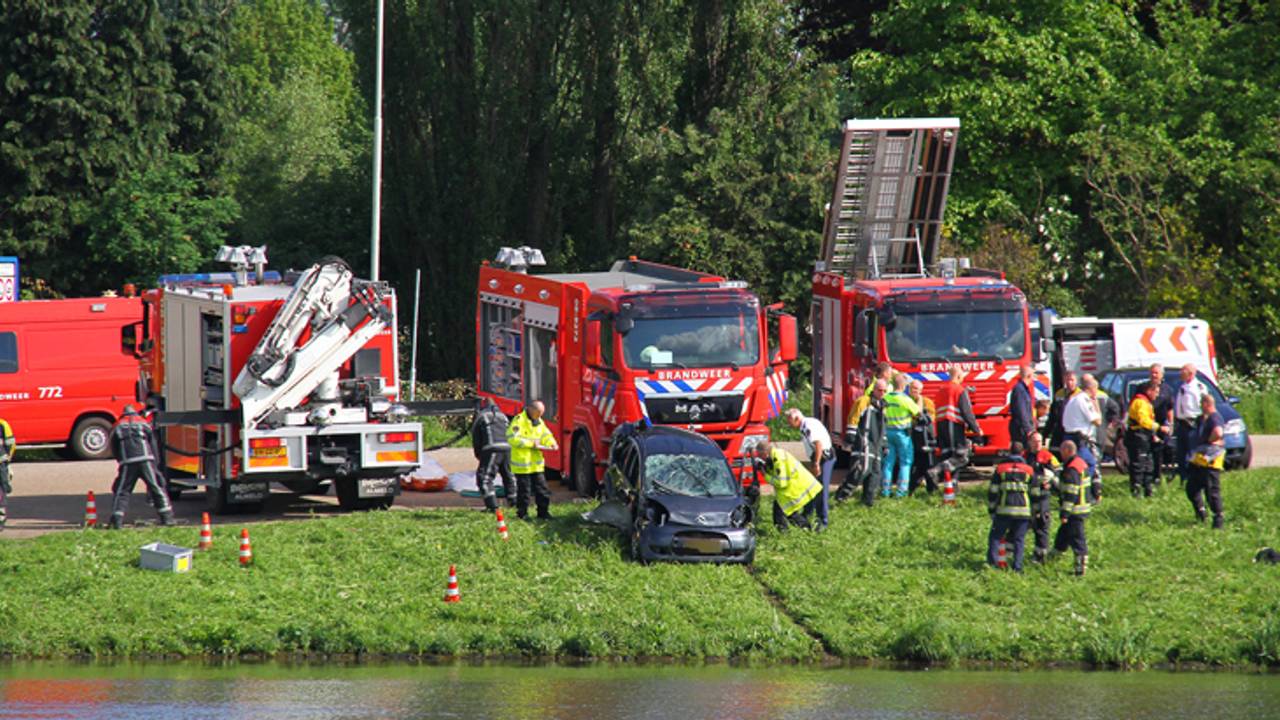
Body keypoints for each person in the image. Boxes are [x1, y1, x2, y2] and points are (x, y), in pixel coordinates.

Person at [108, 404, 173, 529]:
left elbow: (114, 448)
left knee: (122, 491)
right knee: (157, 488)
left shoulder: (117, 426)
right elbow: (153, 444)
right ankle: (167, 518)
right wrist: (156, 466)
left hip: (128, 462)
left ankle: (117, 520)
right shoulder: (143, 423)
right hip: (146, 461)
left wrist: (121, 461)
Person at [836, 378, 888, 507]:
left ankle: (867, 502)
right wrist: (851, 435)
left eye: (884, 391)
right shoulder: (864, 401)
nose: (882, 393)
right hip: (864, 441)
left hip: (877, 444)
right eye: (879, 390)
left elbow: (883, 427)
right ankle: (842, 495)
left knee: (875, 473)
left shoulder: (883, 405)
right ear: (874, 389)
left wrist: (885, 445)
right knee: (861, 470)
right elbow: (853, 417)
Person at [1053, 440, 1100, 576]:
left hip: (1075, 511)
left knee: (1077, 539)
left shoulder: (1072, 469)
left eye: (1062, 451)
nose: (1060, 454)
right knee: (1063, 536)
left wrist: (1065, 514)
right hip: (1082, 507)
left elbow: (1071, 493)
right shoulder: (1080, 463)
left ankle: (1081, 567)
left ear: (1067, 451)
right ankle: (1052, 559)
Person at [929, 365, 981, 487]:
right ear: (958, 376)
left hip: (941, 425)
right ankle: (936, 471)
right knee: (960, 457)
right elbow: (967, 412)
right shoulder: (959, 390)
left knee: (947, 456)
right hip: (953, 425)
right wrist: (976, 430)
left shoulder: (941, 390)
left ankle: (951, 487)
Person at [753, 440, 822, 531]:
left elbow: (781, 483)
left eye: (760, 455)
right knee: (788, 512)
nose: (760, 457)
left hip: (797, 487)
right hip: (796, 485)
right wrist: (766, 467)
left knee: (782, 511)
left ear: (765, 453)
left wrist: (765, 475)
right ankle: (807, 528)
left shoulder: (778, 459)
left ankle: (786, 531)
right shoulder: (775, 455)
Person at [506, 400, 559, 520]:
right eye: (538, 413)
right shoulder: (519, 421)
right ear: (531, 410)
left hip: (536, 465)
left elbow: (546, 435)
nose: (540, 416)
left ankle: (543, 513)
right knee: (524, 492)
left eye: (541, 413)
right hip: (522, 465)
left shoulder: (539, 421)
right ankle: (522, 514)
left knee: (543, 490)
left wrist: (552, 443)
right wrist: (531, 444)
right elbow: (512, 439)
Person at [987, 441, 1034, 572]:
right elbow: (1035, 492)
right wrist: (1035, 511)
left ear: (1009, 451)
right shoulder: (1029, 470)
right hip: (1023, 511)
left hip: (1004, 510)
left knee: (996, 537)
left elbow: (993, 491)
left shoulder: (1000, 469)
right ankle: (1017, 567)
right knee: (1019, 539)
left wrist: (991, 509)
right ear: (1022, 452)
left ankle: (992, 564)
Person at [786, 408, 833, 530]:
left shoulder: (808, 425)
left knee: (820, 489)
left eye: (789, 420)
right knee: (810, 486)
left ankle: (822, 520)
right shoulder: (804, 425)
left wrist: (816, 464)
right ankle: (807, 514)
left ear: (796, 419)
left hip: (824, 457)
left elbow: (818, 444)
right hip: (817, 457)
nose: (788, 424)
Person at [1186, 393, 1226, 529]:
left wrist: (1210, 440)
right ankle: (1201, 512)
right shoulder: (1203, 418)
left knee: (1212, 491)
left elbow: (1219, 432)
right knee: (1192, 488)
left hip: (1211, 461)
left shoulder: (1215, 417)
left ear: (1207, 404)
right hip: (1200, 460)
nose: (1200, 407)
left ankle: (1218, 520)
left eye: (1201, 404)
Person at [471, 398, 516, 512]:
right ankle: (514, 503)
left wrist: (479, 455)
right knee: (509, 475)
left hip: (491, 448)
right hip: (508, 448)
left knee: (484, 478)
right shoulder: (503, 416)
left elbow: (476, 438)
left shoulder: (482, 416)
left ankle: (492, 506)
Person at [882, 374, 920, 498]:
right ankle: (901, 492)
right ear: (903, 386)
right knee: (905, 462)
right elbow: (918, 413)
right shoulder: (905, 399)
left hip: (887, 433)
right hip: (902, 434)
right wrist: (919, 400)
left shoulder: (886, 398)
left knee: (888, 463)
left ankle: (885, 490)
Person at [1026, 432, 1061, 564]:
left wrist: (1050, 483)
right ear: (1029, 442)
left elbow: (1058, 473)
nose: (1037, 444)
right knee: (1024, 525)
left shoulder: (1048, 456)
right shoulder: (1024, 456)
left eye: (1040, 441)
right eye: (1035, 441)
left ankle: (1040, 557)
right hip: (1027, 497)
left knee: (1042, 526)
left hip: (1042, 498)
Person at [1062, 375, 1102, 480]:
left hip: (1068, 437)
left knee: (1071, 465)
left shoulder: (1073, 399)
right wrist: (1096, 402)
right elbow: (1097, 421)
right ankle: (1083, 487)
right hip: (1078, 438)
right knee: (1089, 463)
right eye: (1096, 389)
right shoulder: (1084, 400)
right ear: (1092, 388)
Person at [1173, 364, 1207, 486]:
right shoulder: (1182, 386)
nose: (1180, 373)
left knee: (1192, 454)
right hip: (1181, 424)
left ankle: (1194, 481)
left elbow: (1204, 407)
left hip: (1193, 424)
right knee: (1181, 455)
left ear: (1191, 373)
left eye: (1183, 371)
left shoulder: (1199, 388)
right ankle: (1184, 480)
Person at [1126, 382, 1160, 498]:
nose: (1157, 395)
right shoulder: (1140, 402)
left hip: (1145, 435)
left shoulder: (1146, 402)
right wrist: (1157, 426)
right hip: (1138, 435)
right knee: (1138, 463)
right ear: (1149, 391)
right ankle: (1136, 490)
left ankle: (1148, 488)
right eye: (1156, 392)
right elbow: (1143, 420)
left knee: (1148, 463)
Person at [907, 380, 937, 495]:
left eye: (916, 389)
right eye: (912, 388)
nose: (913, 391)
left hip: (926, 438)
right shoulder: (906, 401)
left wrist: (919, 413)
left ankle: (932, 490)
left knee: (929, 464)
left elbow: (930, 418)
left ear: (921, 390)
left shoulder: (927, 402)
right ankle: (911, 489)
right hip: (912, 437)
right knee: (915, 465)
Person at [1147, 364, 1175, 486]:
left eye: (1156, 373)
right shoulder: (1143, 388)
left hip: (1162, 424)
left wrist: (1171, 424)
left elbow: (1170, 408)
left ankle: (1166, 475)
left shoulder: (1167, 390)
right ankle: (1151, 478)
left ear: (1162, 375)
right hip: (1148, 424)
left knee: (1165, 450)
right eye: (1152, 373)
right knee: (1151, 452)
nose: (1154, 375)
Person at [1047, 372, 1080, 448]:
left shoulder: (1080, 394)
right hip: (1060, 428)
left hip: (1074, 430)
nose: (1069, 382)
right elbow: (1053, 414)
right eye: (1067, 380)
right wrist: (1047, 432)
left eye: (1072, 380)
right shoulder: (1059, 394)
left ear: (1076, 381)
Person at [1008, 365, 1036, 446]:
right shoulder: (1020, 390)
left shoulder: (1022, 389)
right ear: (1029, 376)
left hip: (1021, 428)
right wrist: (1028, 429)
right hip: (1021, 430)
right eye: (1033, 375)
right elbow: (1022, 411)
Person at [0, 417, 13, 531]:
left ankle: (1, 519)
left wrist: (8, 460)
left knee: (2, 489)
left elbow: (10, 443)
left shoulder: (3, 424)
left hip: (1, 464)